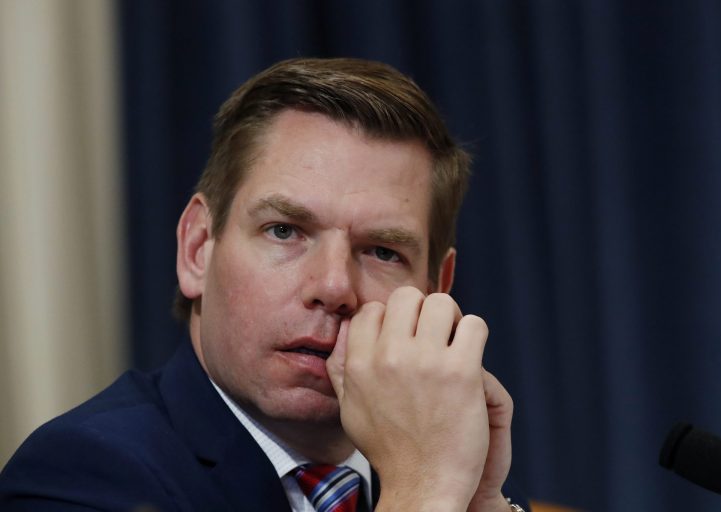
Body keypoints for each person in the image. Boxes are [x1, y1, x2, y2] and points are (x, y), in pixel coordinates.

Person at [0, 57, 528, 511]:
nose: (334, 287)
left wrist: (477, 500)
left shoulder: (431, 469)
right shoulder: (82, 473)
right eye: (285, 231)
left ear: (435, 292)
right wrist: (427, 496)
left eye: (382, 251)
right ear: (197, 248)